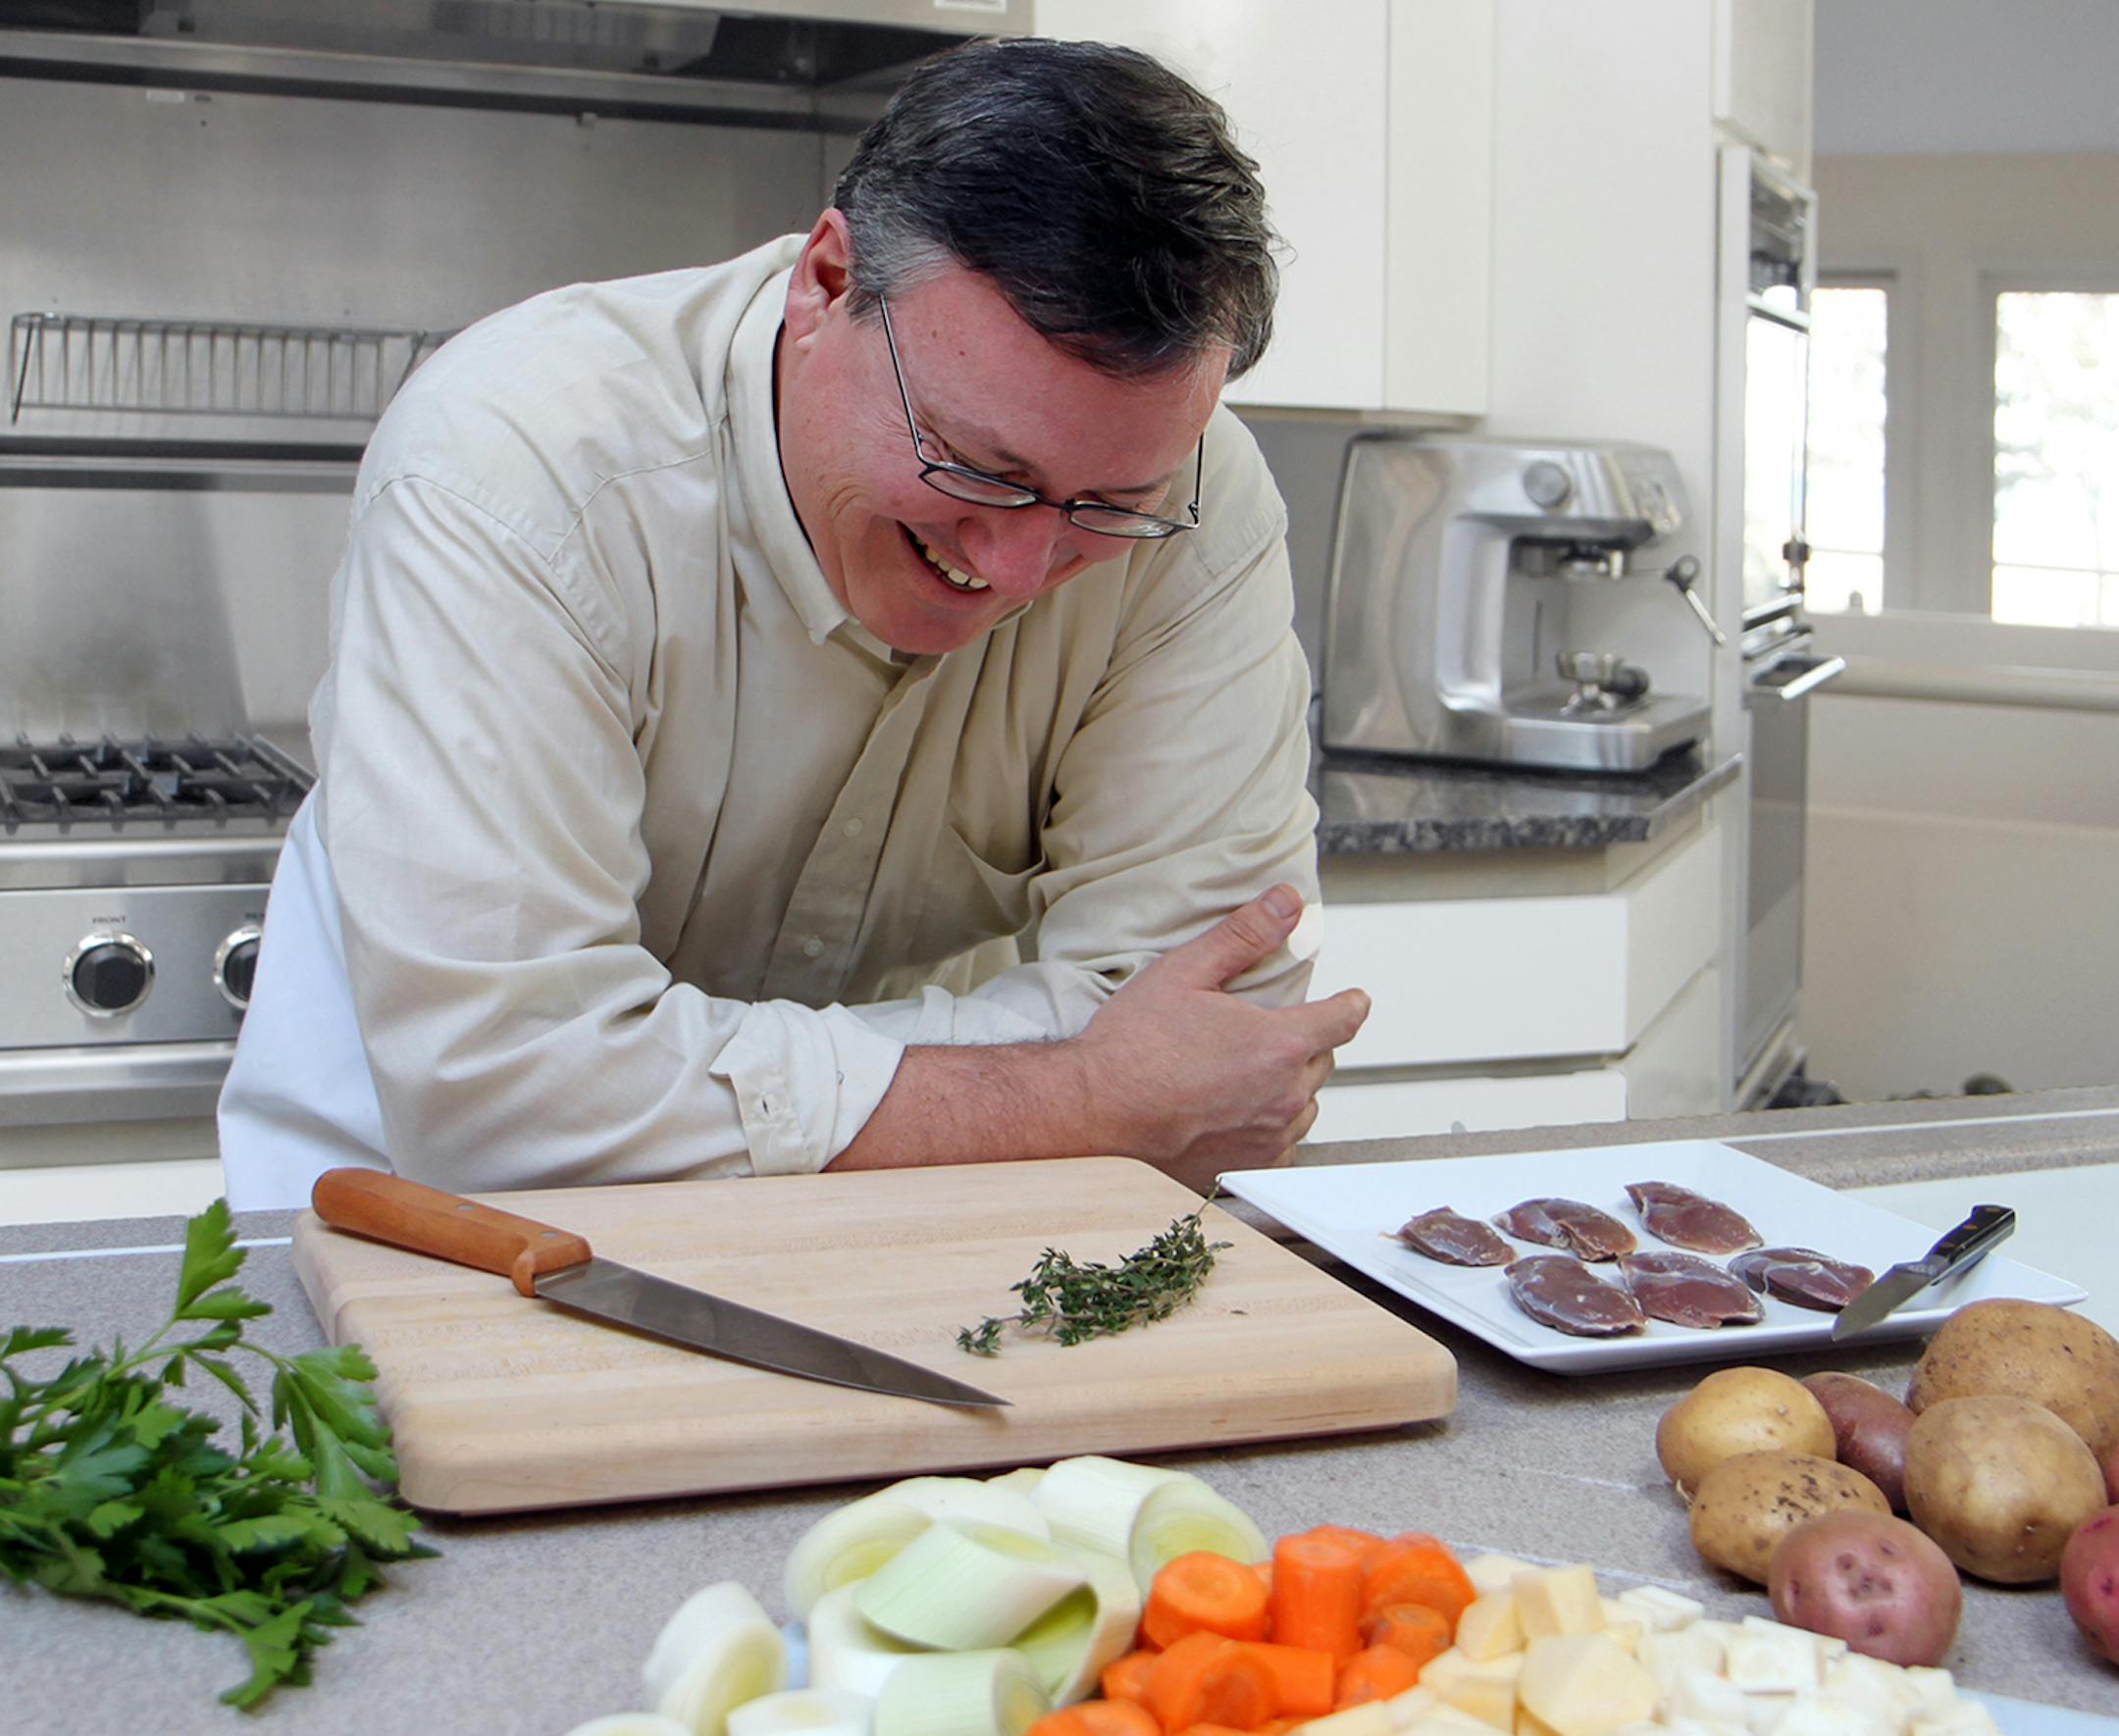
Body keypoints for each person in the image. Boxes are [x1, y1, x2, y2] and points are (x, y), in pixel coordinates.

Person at [218, 37, 1370, 1212]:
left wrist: (659, 1079)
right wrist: (1081, 1095)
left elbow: (1215, 1032)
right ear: (825, 286)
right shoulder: (516, 469)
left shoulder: (1197, 499)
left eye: (1108, 504)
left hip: (936, 1242)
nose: (1019, 567)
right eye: (975, 467)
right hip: (429, 1238)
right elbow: (509, 1099)